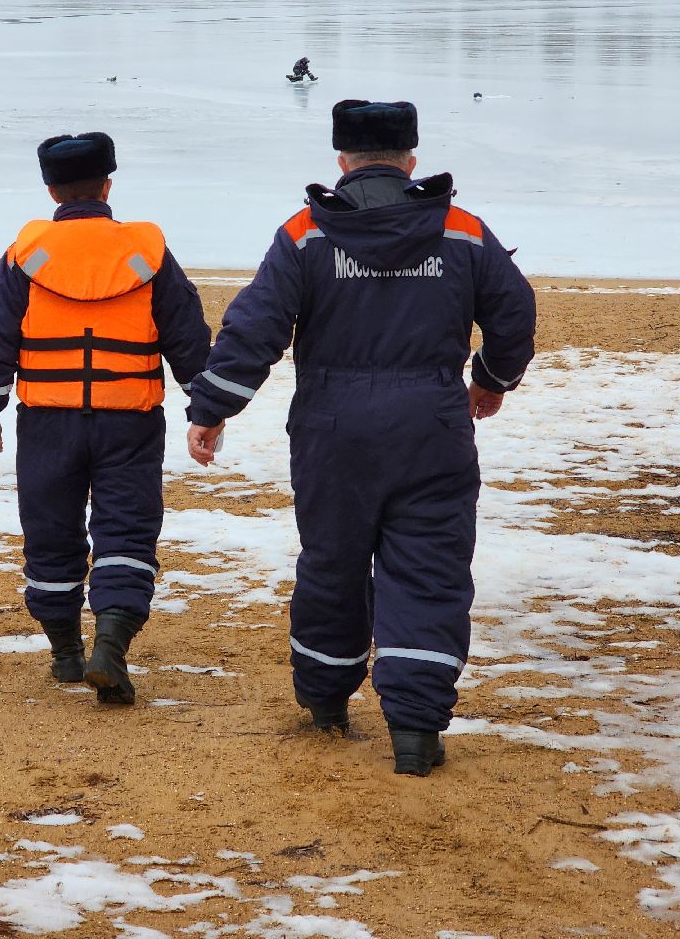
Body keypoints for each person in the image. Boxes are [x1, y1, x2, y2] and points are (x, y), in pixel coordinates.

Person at [185, 100, 535, 776]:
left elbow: (253, 329)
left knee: (333, 564)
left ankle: (325, 701)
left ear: (342, 162)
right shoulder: (462, 231)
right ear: (411, 160)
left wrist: (212, 407)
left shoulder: (303, 234)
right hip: (432, 423)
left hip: (333, 427)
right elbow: (514, 314)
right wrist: (491, 380)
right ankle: (415, 728)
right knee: (430, 571)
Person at [0, 133, 210, 705]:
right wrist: (207, 410)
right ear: (108, 184)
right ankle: (111, 645)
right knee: (126, 531)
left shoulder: (26, 254)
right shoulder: (146, 253)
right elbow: (187, 335)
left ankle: (65, 653)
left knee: (51, 533)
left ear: (50, 188)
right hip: (130, 421)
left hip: (48, 422)